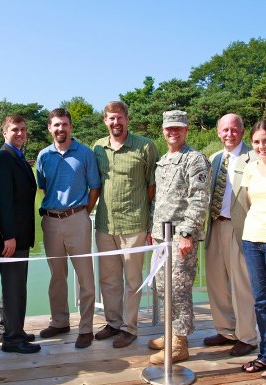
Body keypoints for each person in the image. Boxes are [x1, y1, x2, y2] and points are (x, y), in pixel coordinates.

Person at [93, 101, 158, 348]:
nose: (115, 123)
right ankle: (113, 323)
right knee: (109, 280)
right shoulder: (98, 147)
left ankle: (129, 328)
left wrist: (147, 218)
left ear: (127, 119)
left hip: (134, 224)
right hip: (105, 224)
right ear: (105, 121)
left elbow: (152, 185)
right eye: (111, 119)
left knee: (133, 281)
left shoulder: (145, 146)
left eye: (119, 118)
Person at [148, 110, 210, 364]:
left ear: (186, 130)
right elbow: (159, 201)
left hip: (180, 237)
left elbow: (199, 199)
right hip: (161, 237)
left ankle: (180, 344)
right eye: (168, 128)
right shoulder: (163, 160)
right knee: (163, 287)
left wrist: (186, 233)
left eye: (178, 128)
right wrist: (153, 232)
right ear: (163, 130)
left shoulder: (194, 159)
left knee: (179, 289)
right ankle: (170, 332)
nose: (173, 132)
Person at [36, 108, 100, 349]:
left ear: (70, 127)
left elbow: (95, 186)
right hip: (51, 221)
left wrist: (84, 212)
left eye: (64, 124)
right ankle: (60, 321)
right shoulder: (43, 156)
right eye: (56, 125)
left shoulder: (85, 153)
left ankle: (86, 328)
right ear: (49, 128)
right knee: (56, 276)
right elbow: (43, 186)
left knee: (85, 277)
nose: (60, 129)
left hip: (77, 218)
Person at [204, 113, 258, 356]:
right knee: (216, 283)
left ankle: (247, 336)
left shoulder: (254, 158)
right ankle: (226, 330)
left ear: (242, 131)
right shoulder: (214, 159)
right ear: (218, 132)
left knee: (241, 285)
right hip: (214, 226)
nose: (229, 134)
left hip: (241, 228)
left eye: (234, 129)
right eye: (224, 130)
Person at [0, 115, 40, 354]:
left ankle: (8, 328)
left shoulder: (17, 157)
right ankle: (12, 339)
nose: (20, 133)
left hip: (20, 233)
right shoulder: (2, 159)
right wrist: (8, 235)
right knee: (13, 286)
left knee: (14, 285)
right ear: (4, 133)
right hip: (10, 236)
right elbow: (2, 200)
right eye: (14, 130)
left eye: (23, 129)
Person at [240, 120, 266, 377]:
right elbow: (250, 203)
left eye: (265, 141)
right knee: (260, 302)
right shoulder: (250, 168)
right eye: (257, 141)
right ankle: (265, 355)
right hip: (253, 240)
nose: (261, 146)